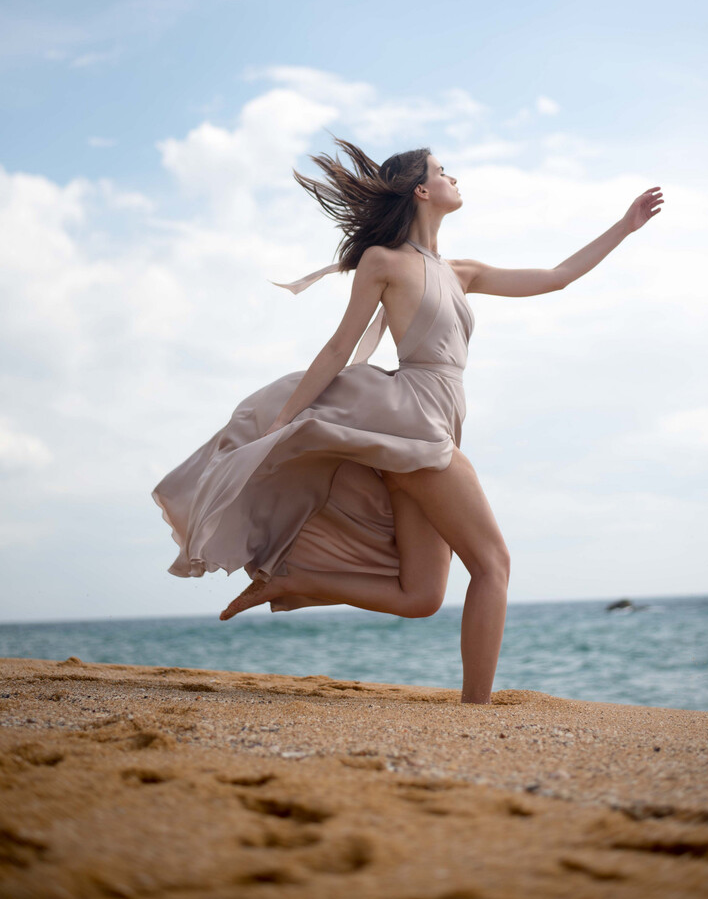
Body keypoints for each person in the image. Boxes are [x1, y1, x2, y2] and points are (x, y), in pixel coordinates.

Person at [153, 138, 663, 704]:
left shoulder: (461, 271)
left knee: (421, 595)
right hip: (412, 421)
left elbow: (557, 275)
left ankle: (299, 584)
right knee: (493, 563)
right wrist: (283, 420)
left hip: (435, 426)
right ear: (422, 189)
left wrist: (625, 226)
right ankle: (477, 711)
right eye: (445, 171)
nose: (454, 178)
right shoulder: (383, 262)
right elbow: (339, 349)